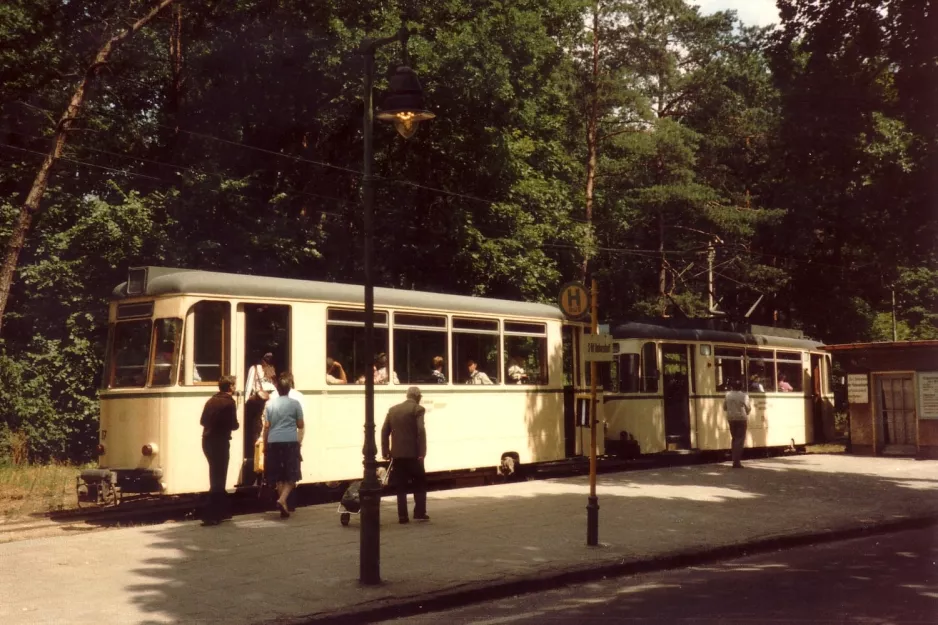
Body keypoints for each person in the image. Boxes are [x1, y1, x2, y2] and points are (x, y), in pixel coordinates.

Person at [381, 386, 429, 524]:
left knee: (400, 486)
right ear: (418, 396)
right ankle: (419, 513)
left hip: (397, 455)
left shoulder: (393, 410)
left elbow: (385, 431)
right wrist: (422, 452)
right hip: (414, 455)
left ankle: (402, 516)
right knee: (419, 483)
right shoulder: (418, 409)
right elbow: (421, 431)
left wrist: (386, 451)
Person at [262, 372, 305, 518]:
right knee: (292, 475)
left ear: (278, 389)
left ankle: (284, 505)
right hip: (289, 441)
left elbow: (266, 426)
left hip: (273, 441)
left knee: (279, 476)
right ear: (289, 388)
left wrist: (264, 444)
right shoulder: (295, 403)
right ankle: (282, 499)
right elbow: (300, 424)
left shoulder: (269, 404)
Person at [199, 375, 239, 526]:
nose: (235, 388)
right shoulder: (229, 403)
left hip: (207, 441)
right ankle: (211, 514)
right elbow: (233, 425)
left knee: (215, 475)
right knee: (219, 478)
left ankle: (223, 511)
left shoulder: (211, 400)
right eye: (234, 386)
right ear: (230, 387)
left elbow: (202, 421)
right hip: (220, 442)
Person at [723, 377, 751, 469]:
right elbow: (748, 408)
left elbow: (724, 407)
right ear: (741, 387)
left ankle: (734, 460)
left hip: (731, 418)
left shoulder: (728, 395)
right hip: (741, 419)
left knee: (734, 439)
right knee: (740, 440)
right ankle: (736, 462)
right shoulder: (744, 395)